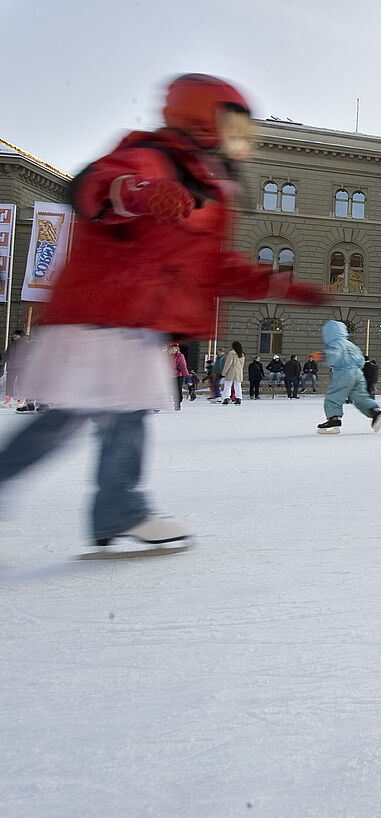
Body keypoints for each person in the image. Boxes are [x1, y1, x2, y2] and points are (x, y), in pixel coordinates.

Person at [0, 73, 326, 553]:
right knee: (64, 420)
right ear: (202, 118)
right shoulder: (153, 157)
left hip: (136, 326)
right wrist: (136, 193)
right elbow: (98, 188)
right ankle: (117, 508)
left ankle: (118, 511)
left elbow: (214, 266)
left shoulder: (209, 190)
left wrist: (281, 286)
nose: (241, 140)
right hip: (98, 318)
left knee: (125, 419)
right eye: (232, 125)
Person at [316, 321, 381, 434]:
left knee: (334, 395)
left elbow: (335, 355)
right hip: (358, 373)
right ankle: (375, 413)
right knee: (360, 396)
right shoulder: (351, 345)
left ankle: (334, 419)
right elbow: (361, 359)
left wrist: (323, 356)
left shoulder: (336, 344)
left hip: (343, 373)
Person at [169, 343, 191, 411]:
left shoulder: (180, 356)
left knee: (177, 390)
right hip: (167, 375)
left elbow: (183, 366)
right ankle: (159, 403)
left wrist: (187, 376)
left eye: (175, 348)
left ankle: (177, 403)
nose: (174, 350)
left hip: (177, 376)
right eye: (172, 349)